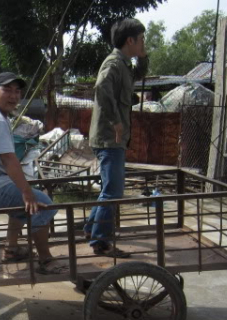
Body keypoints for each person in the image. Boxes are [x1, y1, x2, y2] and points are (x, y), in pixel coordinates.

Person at [0, 72, 63, 274]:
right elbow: (9, 159)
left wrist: (23, 187)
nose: (13, 96)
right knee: (41, 204)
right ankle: (46, 260)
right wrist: (27, 192)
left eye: (17, 91)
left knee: (23, 190)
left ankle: (12, 248)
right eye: (7, 90)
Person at [84, 18, 148, 258]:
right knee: (113, 192)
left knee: (110, 190)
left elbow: (139, 75)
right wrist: (116, 121)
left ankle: (92, 231)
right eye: (141, 40)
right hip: (109, 138)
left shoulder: (125, 64)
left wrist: (143, 55)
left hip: (114, 139)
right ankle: (100, 243)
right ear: (130, 40)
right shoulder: (113, 63)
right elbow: (101, 89)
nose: (143, 43)